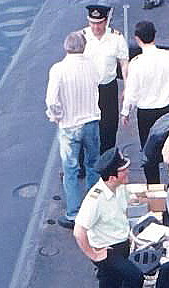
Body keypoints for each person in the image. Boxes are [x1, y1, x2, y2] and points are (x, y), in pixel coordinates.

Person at [74, 148, 143, 288]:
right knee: (135, 277)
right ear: (112, 176)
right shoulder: (95, 200)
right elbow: (79, 231)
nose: (127, 173)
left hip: (121, 244)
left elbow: (124, 207)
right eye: (124, 171)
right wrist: (94, 255)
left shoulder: (119, 188)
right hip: (107, 250)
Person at [45, 31, 101, 229]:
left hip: (69, 125)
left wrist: (56, 115)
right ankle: (95, 211)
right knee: (94, 165)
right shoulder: (92, 65)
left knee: (71, 170)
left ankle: (74, 214)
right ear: (83, 47)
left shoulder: (58, 69)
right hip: (91, 121)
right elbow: (98, 82)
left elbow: (52, 101)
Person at [121, 20, 169, 183]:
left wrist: (125, 112)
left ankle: (154, 189)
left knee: (149, 154)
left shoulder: (137, 63)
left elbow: (132, 91)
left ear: (137, 39)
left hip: (147, 114)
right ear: (154, 36)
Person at [82, 5, 129, 154]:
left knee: (109, 126)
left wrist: (127, 87)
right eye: (92, 23)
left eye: (99, 23)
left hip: (108, 87)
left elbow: (124, 63)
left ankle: (107, 160)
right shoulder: (81, 37)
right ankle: (84, 164)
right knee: (86, 125)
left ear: (106, 20)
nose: (95, 26)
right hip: (88, 88)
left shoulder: (116, 38)